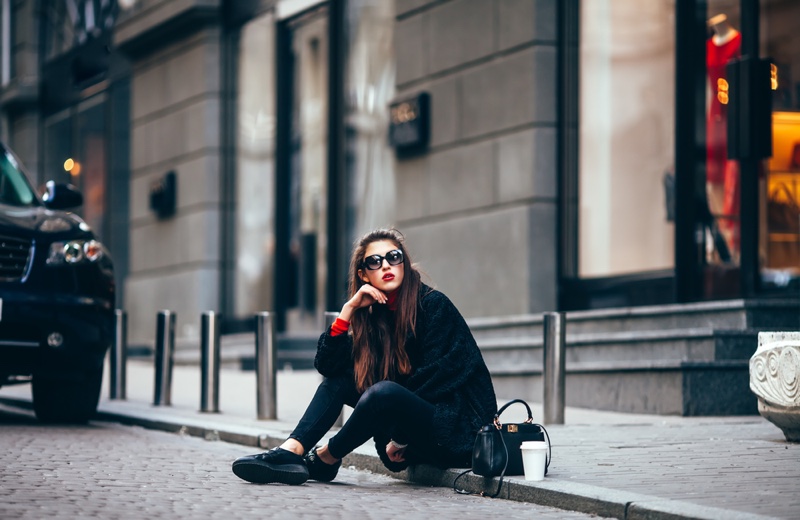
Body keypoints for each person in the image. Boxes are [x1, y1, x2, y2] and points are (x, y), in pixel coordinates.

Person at [232, 228, 497, 485]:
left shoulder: (433, 305)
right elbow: (329, 367)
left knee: (383, 392)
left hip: (455, 431)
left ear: (403, 262)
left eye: (394, 257)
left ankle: (326, 457)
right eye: (375, 261)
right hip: (410, 438)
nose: (386, 266)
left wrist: (400, 437)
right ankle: (292, 449)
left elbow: (440, 377)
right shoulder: (373, 316)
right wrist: (348, 310)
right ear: (364, 275)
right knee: (340, 383)